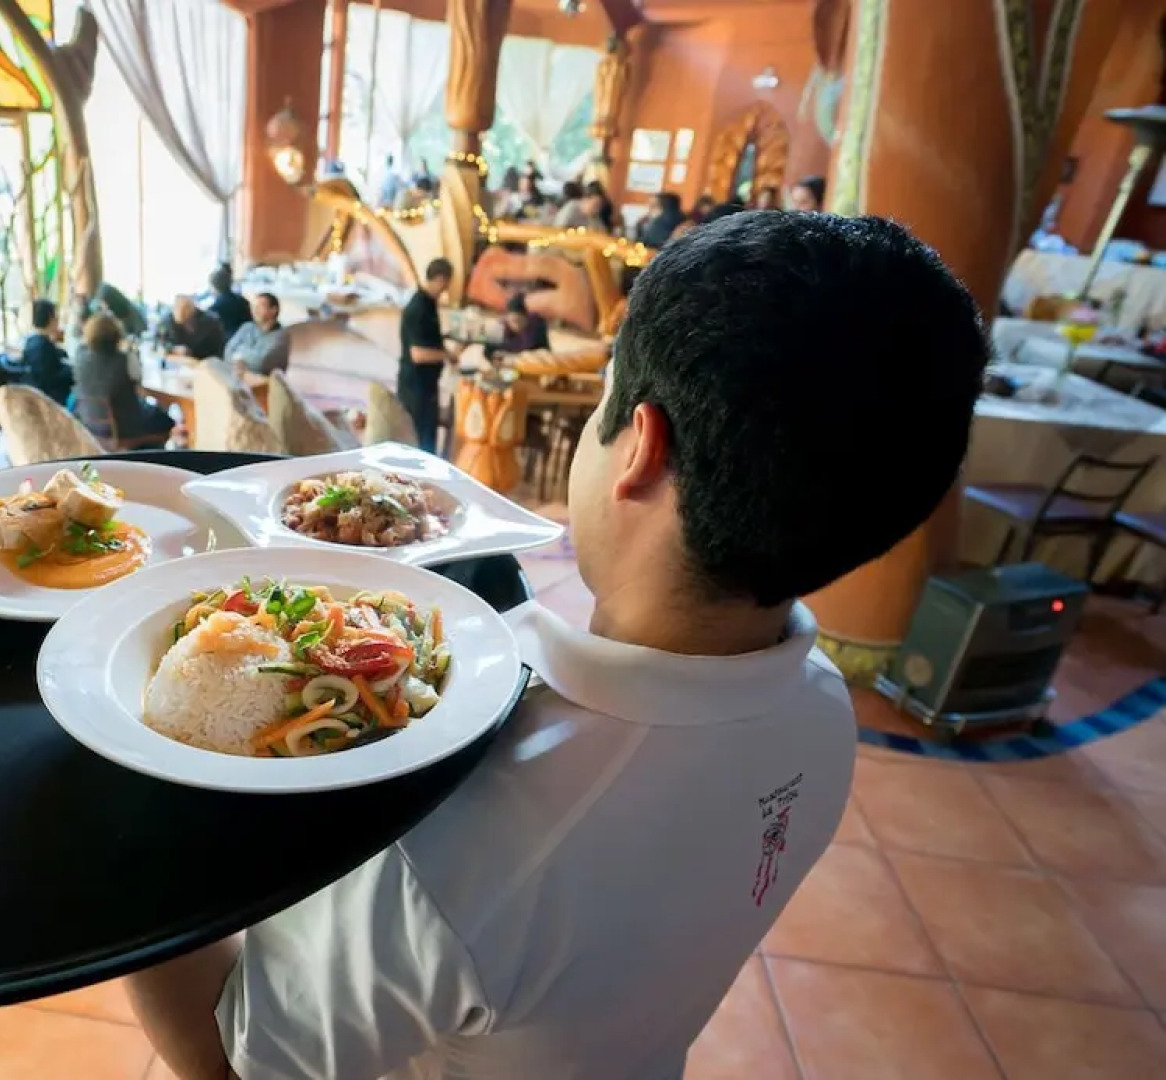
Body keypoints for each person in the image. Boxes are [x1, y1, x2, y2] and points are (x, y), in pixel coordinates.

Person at [119, 212, 991, 1080]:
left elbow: (228, 1063)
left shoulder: (452, 849)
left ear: (639, 448)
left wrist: (124, 783)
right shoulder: (825, 714)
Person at [71, 312, 174, 443]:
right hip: (125, 429)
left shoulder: (79, 356)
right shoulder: (125, 360)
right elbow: (139, 381)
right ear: (117, 335)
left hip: (90, 426)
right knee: (166, 420)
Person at [394, 257, 458, 454]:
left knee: (426, 438)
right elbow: (418, 354)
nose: (446, 288)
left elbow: (427, 339)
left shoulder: (430, 303)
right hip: (416, 388)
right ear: (439, 279)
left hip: (426, 386)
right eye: (446, 283)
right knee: (418, 444)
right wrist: (448, 355)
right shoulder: (418, 308)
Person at [20, 299, 74, 405]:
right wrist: (74, 370)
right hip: (52, 400)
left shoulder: (32, 341)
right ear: (50, 319)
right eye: (56, 317)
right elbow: (51, 377)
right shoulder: (43, 346)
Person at [222, 292, 291, 375]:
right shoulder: (247, 327)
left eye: (259, 307)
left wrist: (239, 354)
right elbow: (228, 350)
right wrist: (239, 359)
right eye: (253, 307)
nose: (255, 310)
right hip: (234, 375)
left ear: (273, 310)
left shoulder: (282, 336)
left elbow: (262, 363)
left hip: (260, 383)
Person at [159, 295, 226, 359]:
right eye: (183, 323)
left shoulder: (211, 322)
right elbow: (160, 341)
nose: (186, 324)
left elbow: (219, 349)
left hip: (206, 361)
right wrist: (173, 349)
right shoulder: (167, 322)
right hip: (179, 363)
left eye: (188, 320)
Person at [206, 265, 253, 339]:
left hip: (227, 343)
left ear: (213, 287)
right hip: (247, 339)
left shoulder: (214, 309)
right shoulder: (243, 301)